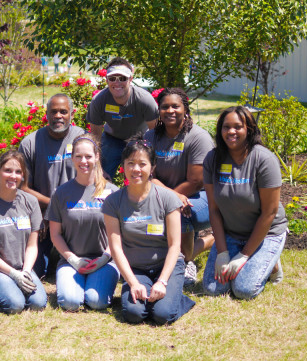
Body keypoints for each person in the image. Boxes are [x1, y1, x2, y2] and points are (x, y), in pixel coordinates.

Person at [102, 135, 195, 324]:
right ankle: (155, 294)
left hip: (166, 266)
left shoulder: (168, 198)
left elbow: (175, 245)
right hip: (136, 269)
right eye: (130, 163)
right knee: (134, 314)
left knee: (162, 315)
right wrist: (133, 282)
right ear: (123, 166)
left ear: (152, 167)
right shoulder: (113, 202)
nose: (136, 169)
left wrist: (162, 282)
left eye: (142, 164)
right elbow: (116, 248)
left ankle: (176, 298)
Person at [202, 106, 288, 300]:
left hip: (266, 233)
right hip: (231, 233)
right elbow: (214, 209)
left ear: (249, 129)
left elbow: (269, 213)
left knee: (243, 290)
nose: (231, 132)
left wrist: (244, 256)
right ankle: (260, 259)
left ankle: (271, 263)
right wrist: (222, 252)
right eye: (226, 127)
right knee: (213, 289)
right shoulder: (213, 159)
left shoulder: (264, 159)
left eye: (238, 127)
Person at [144, 88, 215, 285]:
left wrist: (170, 200)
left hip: (201, 198)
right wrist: (170, 197)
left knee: (178, 213)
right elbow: (147, 175)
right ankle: (208, 242)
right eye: (165, 107)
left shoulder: (198, 137)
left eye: (175, 106)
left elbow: (196, 181)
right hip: (165, 195)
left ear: (186, 109)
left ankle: (186, 263)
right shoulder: (150, 137)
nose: (170, 111)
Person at [47, 134, 120, 311]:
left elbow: (119, 234)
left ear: (97, 157)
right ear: (72, 159)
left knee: (97, 301)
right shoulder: (61, 193)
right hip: (71, 261)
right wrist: (73, 259)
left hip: (105, 260)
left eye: (88, 156)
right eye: (78, 156)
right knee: (70, 302)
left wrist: (104, 258)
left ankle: (98, 282)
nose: (83, 161)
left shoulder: (112, 192)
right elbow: (55, 234)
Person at [0, 151, 47, 313]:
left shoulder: (30, 202)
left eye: (18, 172)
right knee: (15, 305)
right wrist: (13, 274)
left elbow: (32, 246)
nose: (13, 176)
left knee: (38, 303)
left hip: (22, 267)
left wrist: (26, 271)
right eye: (8, 170)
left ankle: (13, 285)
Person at [18, 93, 85, 277]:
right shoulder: (30, 143)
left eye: (63, 111)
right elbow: (23, 188)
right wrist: (51, 207)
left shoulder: (82, 139)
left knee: (82, 265)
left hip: (76, 213)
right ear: (46, 114)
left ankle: (64, 255)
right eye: (53, 112)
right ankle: (50, 256)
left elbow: (92, 181)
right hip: (43, 216)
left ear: (72, 113)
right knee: (38, 271)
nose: (58, 116)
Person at [87, 57, 159, 180]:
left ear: (131, 79)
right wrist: (99, 169)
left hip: (141, 139)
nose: (117, 82)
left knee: (142, 175)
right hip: (112, 139)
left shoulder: (144, 99)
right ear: (106, 80)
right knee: (101, 175)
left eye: (122, 78)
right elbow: (95, 137)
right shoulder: (99, 101)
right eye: (112, 78)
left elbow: (156, 134)